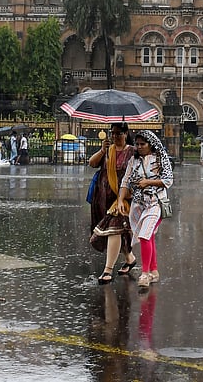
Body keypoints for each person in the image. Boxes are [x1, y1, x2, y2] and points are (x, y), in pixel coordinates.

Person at [121, 130, 173, 289]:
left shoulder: (160, 159)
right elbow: (125, 180)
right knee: (147, 237)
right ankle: (154, 271)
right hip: (138, 204)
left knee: (144, 235)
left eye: (142, 144)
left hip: (155, 203)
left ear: (151, 144)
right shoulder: (133, 161)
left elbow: (168, 180)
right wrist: (120, 199)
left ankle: (145, 274)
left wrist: (148, 183)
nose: (139, 147)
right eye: (136, 144)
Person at [87, 122, 136, 284]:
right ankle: (130, 258)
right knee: (118, 230)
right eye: (113, 133)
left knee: (114, 228)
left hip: (123, 198)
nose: (115, 136)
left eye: (119, 133)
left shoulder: (132, 152)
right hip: (103, 197)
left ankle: (107, 271)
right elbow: (92, 163)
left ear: (126, 133)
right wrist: (102, 150)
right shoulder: (109, 150)